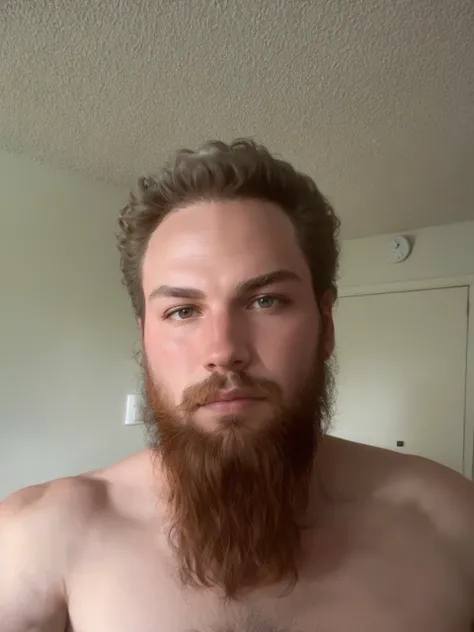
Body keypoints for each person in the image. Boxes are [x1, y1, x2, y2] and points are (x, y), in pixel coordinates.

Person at [1, 139, 473, 632]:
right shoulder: (40, 537)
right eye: (182, 311)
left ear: (326, 324)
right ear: (144, 338)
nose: (224, 350)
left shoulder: (452, 525)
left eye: (266, 301)